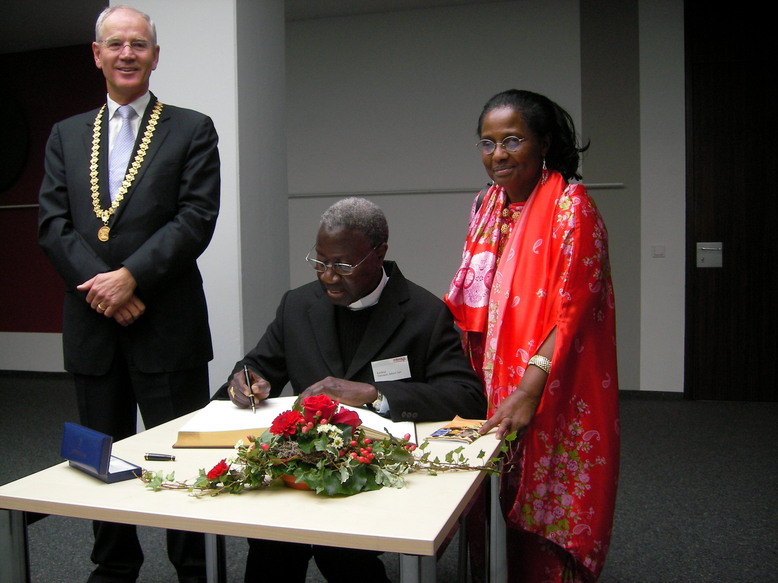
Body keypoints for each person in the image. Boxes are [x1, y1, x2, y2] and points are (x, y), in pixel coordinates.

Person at [37, 5, 220, 583]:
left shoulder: (192, 127)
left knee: (181, 456)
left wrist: (131, 278)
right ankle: (114, 564)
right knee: (99, 452)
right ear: (97, 54)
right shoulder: (65, 134)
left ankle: (194, 566)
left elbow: (196, 218)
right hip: (93, 324)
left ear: (155, 55)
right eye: (115, 44)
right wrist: (105, 290)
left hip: (168, 322)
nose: (126, 54)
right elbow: (52, 224)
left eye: (138, 44)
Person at [223, 196, 486, 583]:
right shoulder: (297, 305)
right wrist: (246, 381)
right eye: (321, 261)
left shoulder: (424, 313)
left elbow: (466, 396)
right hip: (301, 462)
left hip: (374, 467)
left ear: (379, 253)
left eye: (343, 265)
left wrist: (375, 394)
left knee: (341, 551)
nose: (328, 276)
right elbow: (258, 364)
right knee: (271, 540)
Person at [444, 89, 619, 583]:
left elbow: (573, 314)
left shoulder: (571, 208)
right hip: (489, 378)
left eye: (512, 140)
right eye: (487, 143)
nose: (497, 155)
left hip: (552, 386)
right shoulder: (486, 205)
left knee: (545, 495)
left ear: (544, 142)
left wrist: (528, 389)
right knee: (490, 488)